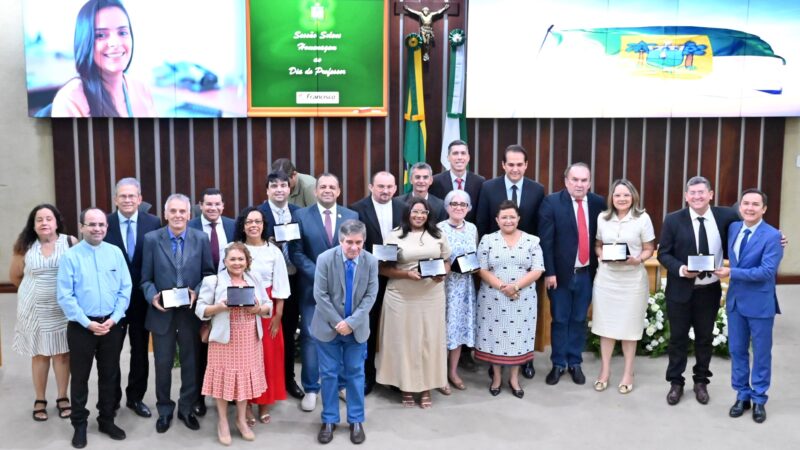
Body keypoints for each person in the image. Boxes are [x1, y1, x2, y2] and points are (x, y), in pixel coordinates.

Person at [657, 176, 741, 406]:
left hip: (709, 290)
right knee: (677, 339)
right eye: (692, 193)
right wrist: (681, 269)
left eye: (701, 192)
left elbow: (751, 225)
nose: (697, 197)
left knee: (705, 338)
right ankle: (676, 382)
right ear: (686, 196)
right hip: (680, 289)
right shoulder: (673, 219)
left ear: (711, 195)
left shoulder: (726, 216)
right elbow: (664, 253)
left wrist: (777, 237)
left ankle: (701, 381)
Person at [56, 208, 131, 448]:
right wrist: (87, 323)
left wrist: (116, 318)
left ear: (106, 228)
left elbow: (125, 289)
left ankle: (106, 419)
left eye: (101, 224)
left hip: (111, 325)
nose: (97, 228)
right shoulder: (71, 256)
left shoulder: (115, 253)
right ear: (81, 227)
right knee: (80, 377)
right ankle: (79, 424)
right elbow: (65, 296)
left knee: (109, 375)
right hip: (81, 326)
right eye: (91, 224)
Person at [140, 194, 215, 433]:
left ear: (189, 214)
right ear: (165, 214)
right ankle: (164, 409)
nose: (178, 216)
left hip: (190, 313)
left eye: (182, 211)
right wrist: (152, 296)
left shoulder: (200, 239)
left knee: (191, 363)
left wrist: (199, 292)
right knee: (162, 364)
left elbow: (208, 274)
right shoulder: (152, 239)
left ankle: (186, 408)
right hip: (162, 314)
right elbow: (145, 279)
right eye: (173, 211)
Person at [475, 145, 544, 380]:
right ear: (503, 165)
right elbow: (483, 223)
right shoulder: (488, 187)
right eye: (510, 164)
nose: (515, 169)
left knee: (524, 322)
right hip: (495, 266)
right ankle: (494, 362)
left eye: (519, 164)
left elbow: (538, 226)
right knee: (496, 323)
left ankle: (525, 361)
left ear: (526, 165)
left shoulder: (537, 189)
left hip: (525, 267)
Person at [290, 173, 359, 411]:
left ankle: (341, 385)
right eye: (323, 187)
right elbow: (296, 253)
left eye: (332, 187)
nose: (327, 190)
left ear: (338, 191)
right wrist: (321, 275)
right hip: (312, 289)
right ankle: (311, 388)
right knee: (311, 337)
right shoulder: (300, 216)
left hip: (343, 290)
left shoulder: (351, 216)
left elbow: (355, 250)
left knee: (342, 336)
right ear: (316, 191)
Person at [714, 189, 783, 424]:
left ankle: (759, 398)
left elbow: (766, 272)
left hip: (760, 303)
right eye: (746, 203)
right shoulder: (734, 228)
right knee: (737, 350)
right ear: (740, 207)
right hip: (735, 302)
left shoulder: (773, 236)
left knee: (761, 353)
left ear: (764, 208)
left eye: (755, 204)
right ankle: (742, 395)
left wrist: (731, 272)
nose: (750, 208)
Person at [375, 198, 451, 409]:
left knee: (429, 341)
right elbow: (383, 269)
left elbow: (446, 261)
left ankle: (426, 387)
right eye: (415, 212)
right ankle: (405, 387)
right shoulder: (395, 235)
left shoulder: (438, 234)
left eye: (423, 212)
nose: (419, 215)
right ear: (408, 213)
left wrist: (442, 274)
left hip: (432, 296)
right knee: (404, 342)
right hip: (401, 296)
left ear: (429, 214)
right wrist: (406, 274)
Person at [195, 242, 273, 445]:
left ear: (247, 261)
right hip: (223, 339)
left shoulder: (254, 278)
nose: (237, 263)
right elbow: (200, 309)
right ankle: (222, 421)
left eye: (241, 259)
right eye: (233, 259)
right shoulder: (213, 281)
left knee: (243, 381)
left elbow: (268, 306)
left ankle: (240, 419)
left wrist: (258, 310)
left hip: (249, 338)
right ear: (225, 261)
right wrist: (219, 308)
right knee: (223, 381)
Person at [312, 220, 379, 445]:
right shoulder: (325, 259)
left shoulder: (370, 261)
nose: (353, 247)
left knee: (355, 374)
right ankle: (329, 419)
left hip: (356, 329)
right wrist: (338, 322)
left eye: (358, 242)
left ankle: (356, 420)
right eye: (349, 242)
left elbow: (371, 295)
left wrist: (351, 322)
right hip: (328, 328)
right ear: (341, 241)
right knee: (329, 374)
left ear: (364, 241)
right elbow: (320, 295)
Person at [539, 162, 605, 386]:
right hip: (560, 276)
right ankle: (558, 364)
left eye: (584, 180)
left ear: (589, 182)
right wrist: (550, 272)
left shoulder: (598, 203)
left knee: (579, 319)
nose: (579, 184)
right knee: (560, 319)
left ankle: (575, 362)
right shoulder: (551, 202)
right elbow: (546, 242)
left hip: (587, 274)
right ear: (566, 181)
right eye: (574, 180)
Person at [9, 204, 77, 422]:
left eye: (49, 218)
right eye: (39, 219)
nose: (44, 223)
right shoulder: (24, 246)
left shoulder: (70, 242)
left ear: (57, 222)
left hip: (62, 309)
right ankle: (40, 398)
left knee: (62, 354)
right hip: (34, 310)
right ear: (34, 224)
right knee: (39, 354)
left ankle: (62, 396)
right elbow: (15, 277)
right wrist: (34, 292)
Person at [590, 179, 655, 394]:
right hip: (607, 280)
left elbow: (649, 248)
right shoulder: (602, 218)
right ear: (612, 198)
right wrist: (602, 256)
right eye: (617, 195)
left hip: (632, 281)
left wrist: (638, 259)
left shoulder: (642, 218)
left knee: (629, 330)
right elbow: (597, 245)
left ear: (633, 197)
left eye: (626, 195)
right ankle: (605, 371)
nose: (622, 199)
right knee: (605, 328)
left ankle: (628, 372)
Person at [103, 178, 161, 417]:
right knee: (111, 352)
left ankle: (135, 398)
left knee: (139, 351)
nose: (127, 200)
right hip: (111, 300)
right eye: (122, 196)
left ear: (140, 198)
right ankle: (112, 399)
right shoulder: (104, 223)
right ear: (116, 199)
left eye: (132, 196)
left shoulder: (153, 222)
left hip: (140, 300)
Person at [234, 207, 290, 425]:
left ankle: (264, 402)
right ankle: (246, 404)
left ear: (264, 225)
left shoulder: (273, 251)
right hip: (240, 306)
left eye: (257, 221)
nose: (253, 225)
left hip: (268, 309)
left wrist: (278, 316)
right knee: (245, 358)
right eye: (249, 221)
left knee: (267, 357)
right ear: (243, 225)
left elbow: (281, 286)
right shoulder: (235, 249)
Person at [349, 171, 403, 394]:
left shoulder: (403, 208)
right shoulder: (357, 209)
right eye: (380, 186)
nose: (385, 191)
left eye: (389, 187)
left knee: (395, 327)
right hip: (368, 276)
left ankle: (394, 376)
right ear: (371, 187)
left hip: (397, 276)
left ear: (396, 188)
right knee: (368, 326)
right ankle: (368, 375)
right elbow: (353, 244)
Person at [51, 0, 155, 117]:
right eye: (101, 35)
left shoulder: (142, 89)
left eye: (122, 32)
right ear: (85, 41)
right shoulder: (70, 101)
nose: (115, 43)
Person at [257, 170, 305, 400]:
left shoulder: (299, 213)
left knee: (287, 332)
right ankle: (262, 381)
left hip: (293, 280)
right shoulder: (257, 214)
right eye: (273, 185)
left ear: (290, 189)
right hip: (265, 285)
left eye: (283, 185)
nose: (279, 189)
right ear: (267, 190)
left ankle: (288, 379)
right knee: (265, 335)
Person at [188, 187, 236, 416]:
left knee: (226, 347)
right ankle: (198, 397)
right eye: (208, 204)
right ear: (200, 205)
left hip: (228, 295)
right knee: (200, 348)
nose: (213, 208)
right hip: (200, 294)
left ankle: (229, 394)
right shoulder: (190, 227)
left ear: (223, 206)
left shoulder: (232, 225)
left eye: (217, 204)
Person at [437, 190, 478, 392]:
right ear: (447, 207)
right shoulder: (438, 229)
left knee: (459, 330)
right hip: (445, 286)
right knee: (444, 332)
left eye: (463, 204)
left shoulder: (472, 228)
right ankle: (439, 375)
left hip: (465, 288)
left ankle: (453, 372)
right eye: (454, 204)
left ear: (468, 208)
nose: (459, 207)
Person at [429, 140, 485, 224]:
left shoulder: (480, 182)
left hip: (471, 232)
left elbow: (481, 212)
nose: (459, 157)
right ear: (448, 157)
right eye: (455, 153)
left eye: (463, 153)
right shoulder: (435, 181)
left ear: (468, 157)